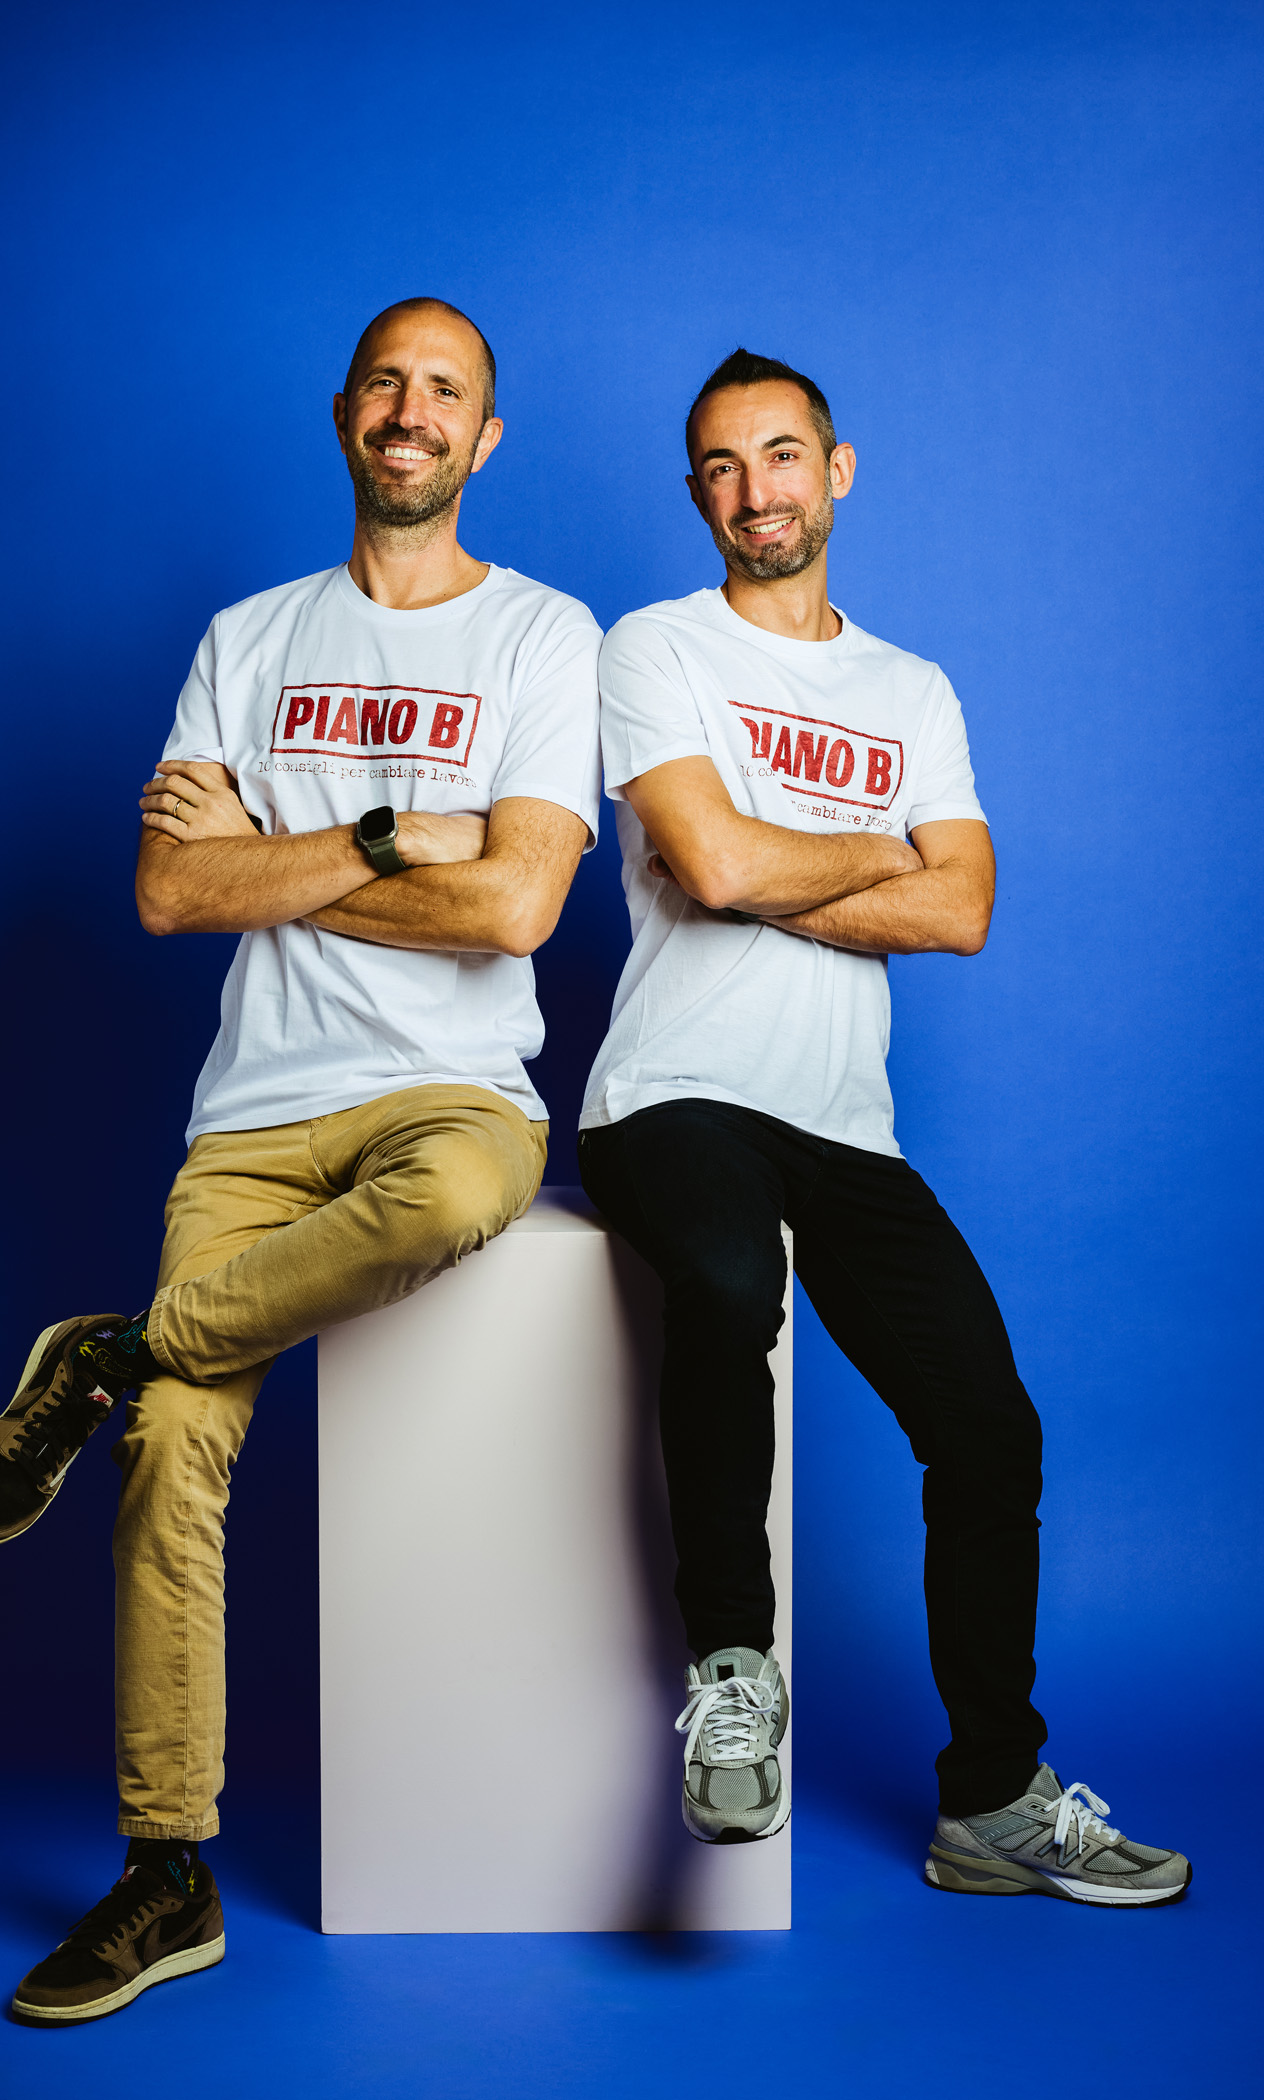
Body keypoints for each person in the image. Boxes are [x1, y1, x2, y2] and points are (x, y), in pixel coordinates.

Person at [0, 297, 602, 2020]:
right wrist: (391, 835)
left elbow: (518, 906)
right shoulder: (247, 637)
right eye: (387, 382)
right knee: (175, 1446)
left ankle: (106, 1350)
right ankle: (168, 1873)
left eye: (445, 392)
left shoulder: (545, 637)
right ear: (343, 414)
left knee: (466, 1191)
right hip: (251, 1117)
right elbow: (173, 892)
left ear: (484, 439)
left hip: (451, 1095)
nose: (411, 411)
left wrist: (284, 854)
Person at [577, 348, 1190, 1907]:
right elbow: (713, 868)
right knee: (731, 1284)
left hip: (845, 1124)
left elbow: (963, 906)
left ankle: (991, 1801)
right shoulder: (655, 646)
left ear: (836, 471)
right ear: (696, 494)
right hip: (673, 1094)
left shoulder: (913, 690)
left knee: (990, 1428)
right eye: (723, 466)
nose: (756, 491)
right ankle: (735, 1675)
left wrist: (776, 856)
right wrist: (872, 851)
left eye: (782, 455)